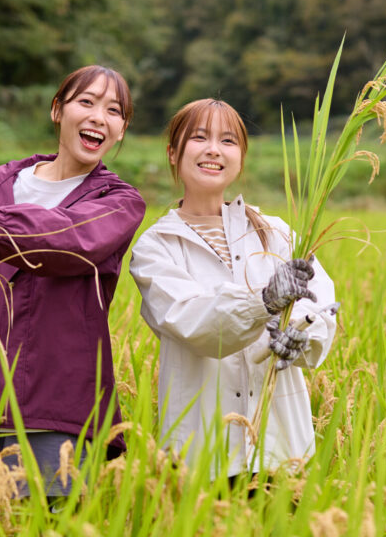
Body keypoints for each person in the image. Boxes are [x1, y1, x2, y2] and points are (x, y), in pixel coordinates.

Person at [0, 65, 146, 498]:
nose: (99, 117)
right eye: (86, 102)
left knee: (45, 526)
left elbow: (68, 240)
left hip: (57, 415)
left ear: (122, 130)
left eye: (114, 111)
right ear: (57, 110)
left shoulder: (118, 202)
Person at [129, 98, 337, 479]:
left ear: (241, 158)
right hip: (202, 453)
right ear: (173, 153)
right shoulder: (156, 247)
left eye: (227, 140)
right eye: (199, 137)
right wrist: (264, 301)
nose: (213, 149)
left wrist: (302, 333)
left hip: (282, 448)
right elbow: (193, 322)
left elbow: (320, 301)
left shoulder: (276, 232)